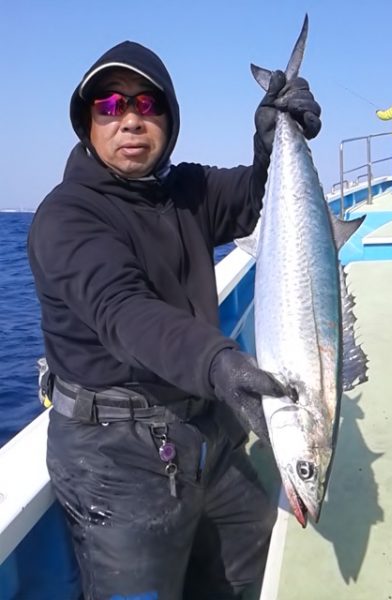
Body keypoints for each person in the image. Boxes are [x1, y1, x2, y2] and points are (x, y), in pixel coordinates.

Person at [28, 39, 321, 600]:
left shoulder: (185, 189)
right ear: (87, 123)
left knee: (250, 561)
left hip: (206, 430)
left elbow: (255, 196)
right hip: (113, 455)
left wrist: (273, 142)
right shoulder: (67, 216)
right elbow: (124, 312)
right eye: (110, 107)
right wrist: (218, 362)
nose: (130, 119)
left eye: (147, 105)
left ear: (169, 118)